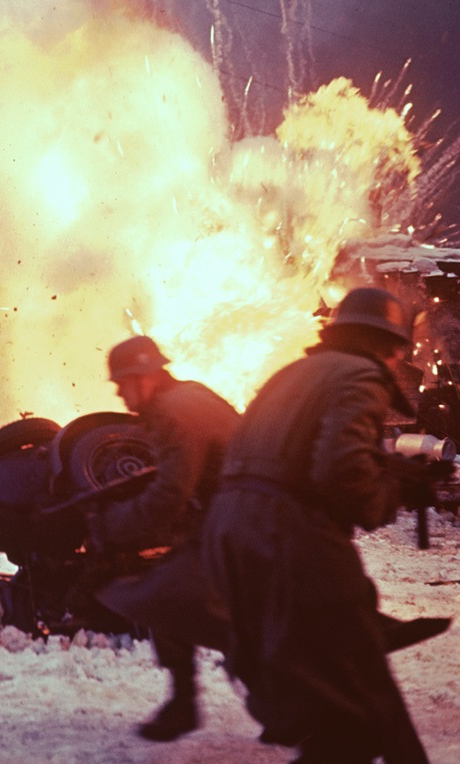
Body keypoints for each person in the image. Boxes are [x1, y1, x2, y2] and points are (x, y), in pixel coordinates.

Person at [201, 287, 432, 763]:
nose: (397, 362)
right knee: (358, 693)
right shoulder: (360, 375)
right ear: (386, 345)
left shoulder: (291, 374)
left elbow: (288, 455)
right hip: (287, 536)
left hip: (230, 531)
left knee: (322, 696)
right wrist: (391, 493)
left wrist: (393, 471)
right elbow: (342, 470)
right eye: (397, 352)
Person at [86, 335, 239, 741]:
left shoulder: (174, 412)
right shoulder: (189, 396)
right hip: (233, 515)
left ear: (145, 377)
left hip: (240, 522)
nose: (119, 394)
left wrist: (110, 528)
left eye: (123, 383)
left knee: (164, 592)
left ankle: (189, 702)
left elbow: (171, 494)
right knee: (176, 589)